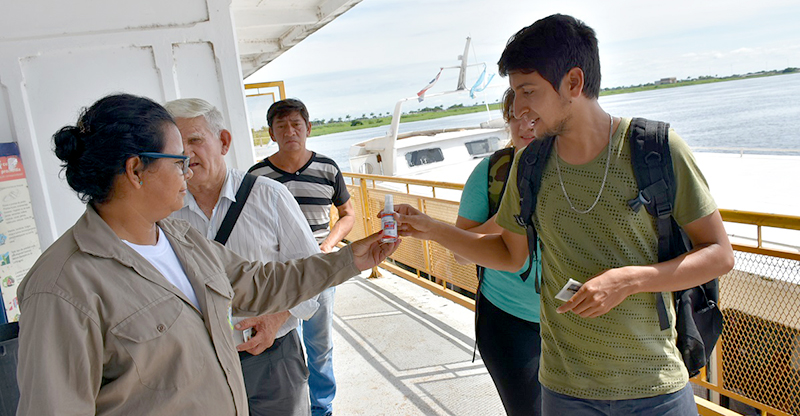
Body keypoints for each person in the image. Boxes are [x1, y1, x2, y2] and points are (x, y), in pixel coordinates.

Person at [392, 14, 734, 416]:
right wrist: (430, 228)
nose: (518, 108)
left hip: (655, 388)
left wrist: (631, 280)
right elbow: (509, 254)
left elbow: (719, 255)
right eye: (515, 93)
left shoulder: (656, 150)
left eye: (528, 91)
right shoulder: (530, 165)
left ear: (573, 82)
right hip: (564, 392)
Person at [15, 93, 399, 416]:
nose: (187, 169)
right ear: (136, 170)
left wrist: (352, 258)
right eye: (176, 159)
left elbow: (261, 282)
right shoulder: (61, 288)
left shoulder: (180, 239)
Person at [166, 98, 320, 416]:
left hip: (272, 358)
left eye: (195, 140)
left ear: (224, 142)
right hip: (200, 366)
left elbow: (312, 272)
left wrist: (278, 316)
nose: (185, 154)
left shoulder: (269, 195)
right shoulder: (165, 214)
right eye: (176, 146)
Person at [249, 98, 353, 416]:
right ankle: (293, 404)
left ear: (308, 128)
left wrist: (328, 245)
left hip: (319, 272)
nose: (290, 131)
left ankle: (321, 407)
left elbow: (348, 214)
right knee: (281, 343)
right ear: (271, 133)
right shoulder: (257, 175)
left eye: (296, 124)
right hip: (277, 277)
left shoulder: (328, 169)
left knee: (320, 345)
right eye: (281, 126)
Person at [453, 88, 541, 416]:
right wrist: (506, 217)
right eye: (515, 117)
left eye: (534, 117)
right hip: (508, 319)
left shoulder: (575, 169)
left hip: (573, 318)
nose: (524, 126)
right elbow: (461, 253)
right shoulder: (491, 173)